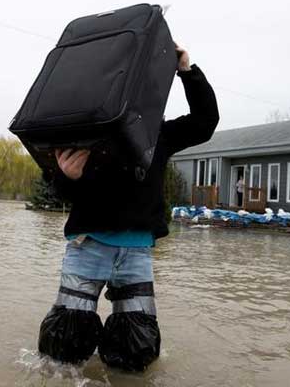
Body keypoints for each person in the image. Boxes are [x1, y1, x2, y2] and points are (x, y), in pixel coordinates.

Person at [38, 45, 219, 371]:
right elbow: (61, 191)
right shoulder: (83, 132)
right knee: (64, 348)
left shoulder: (160, 134)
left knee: (135, 349)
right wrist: (67, 176)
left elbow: (206, 121)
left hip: (136, 253)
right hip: (87, 245)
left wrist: (186, 71)